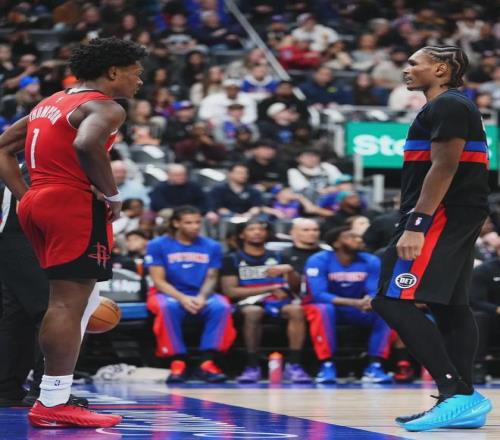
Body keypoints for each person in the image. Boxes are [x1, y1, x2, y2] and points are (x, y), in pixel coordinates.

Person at [0, 37, 146, 428]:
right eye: (136, 73)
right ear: (113, 71)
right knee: (68, 304)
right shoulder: (105, 106)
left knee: (58, 300)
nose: (139, 81)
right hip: (71, 203)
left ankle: (51, 397)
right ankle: (53, 401)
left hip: (37, 201)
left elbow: (2, 148)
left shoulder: (50, 103)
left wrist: (26, 196)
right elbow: (87, 142)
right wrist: (112, 195)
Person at [371, 46, 492, 431]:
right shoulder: (453, 105)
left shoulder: (448, 105)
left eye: (413, 63)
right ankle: (462, 400)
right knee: (451, 306)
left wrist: (417, 223)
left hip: (440, 214)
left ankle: (454, 391)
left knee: (391, 300)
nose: (406, 69)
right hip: (457, 212)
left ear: (440, 69)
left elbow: (444, 166)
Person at [145, 206, 235, 383]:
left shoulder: (212, 246)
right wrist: (182, 298)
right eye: (189, 223)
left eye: (197, 222)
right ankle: (178, 361)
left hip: (200, 293)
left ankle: (207, 362)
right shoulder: (157, 245)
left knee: (222, 306)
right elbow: (158, 281)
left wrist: (201, 297)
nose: (195, 226)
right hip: (167, 292)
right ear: (176, 223)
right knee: (168, 307)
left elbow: (212, 277)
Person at [220, 218, 311, 384]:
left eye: (261, 229)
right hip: (247, 303)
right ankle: (252, 366)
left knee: (296, 310)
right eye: (251, 229)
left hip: (277, 302)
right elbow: (231, 291)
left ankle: (294, 365)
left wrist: (290, 271)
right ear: (241, 234)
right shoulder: (231, 259)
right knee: (253, 312)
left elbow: (296, 289)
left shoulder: (280, 256)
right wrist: (269, 288)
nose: (257, 232)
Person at [304, 226, 392, 384]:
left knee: (385, 310)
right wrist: (355, 302)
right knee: (322, 309)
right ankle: (327, 365)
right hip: (332, 308)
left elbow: (374, 290)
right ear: (336, 243)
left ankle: (375, 366)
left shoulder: (371, 260)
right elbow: (319, 294)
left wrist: (370, 301)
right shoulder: (318, 260)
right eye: (351, 237)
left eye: (358, 237)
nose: (359, 239)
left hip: (359, 309)